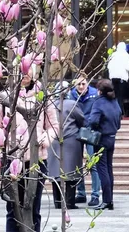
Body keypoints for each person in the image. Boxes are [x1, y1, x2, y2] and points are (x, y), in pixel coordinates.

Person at [0, 66, 59, 232]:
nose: (24, 74)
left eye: (28, 70)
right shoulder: (4, 97)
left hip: (36, 161)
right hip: (12, 161)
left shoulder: (43, 97)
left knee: (34, 209)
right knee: (13, 209)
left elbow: (53, 127)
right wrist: (5, 142)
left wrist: (42, 140)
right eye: (20, 70)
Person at [48, 82, 84, 210]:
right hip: (71, 141)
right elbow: (82, 120)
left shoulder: (49, 105)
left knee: (55, 172)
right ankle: (69, 202)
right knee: (71, 172)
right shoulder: (72, 104)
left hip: (52, 140)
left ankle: (57, 202)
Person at [88, 79, 122, 210]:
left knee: (102, 170)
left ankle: (106, 201)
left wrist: (94, 126)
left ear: (100, 91)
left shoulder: (98, 102)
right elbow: (119, 120)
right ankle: (110, 200)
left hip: (101, 138)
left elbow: (93, 120)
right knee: (108, 168)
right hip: (112, 137)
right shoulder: (115, 101)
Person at [69, 76, 100, 207]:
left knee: (93, 163)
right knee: (77, 164)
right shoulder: (71, 95)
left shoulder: (94, 94)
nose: (81, 87)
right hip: (76, 130)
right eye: (78, 85)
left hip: (90, 130)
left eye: (83, 84)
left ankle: (95, 195)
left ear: (87, 83)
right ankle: (81, 193)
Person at [107, 42, 129, 115]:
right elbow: (127, 67)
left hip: (113, 78)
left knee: (115, 96)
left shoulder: (113, 55)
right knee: (120, 97)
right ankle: (120, 113)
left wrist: (111, 75)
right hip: (122, 78)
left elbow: (108, 66)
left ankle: (115, 112)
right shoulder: (126, 55)